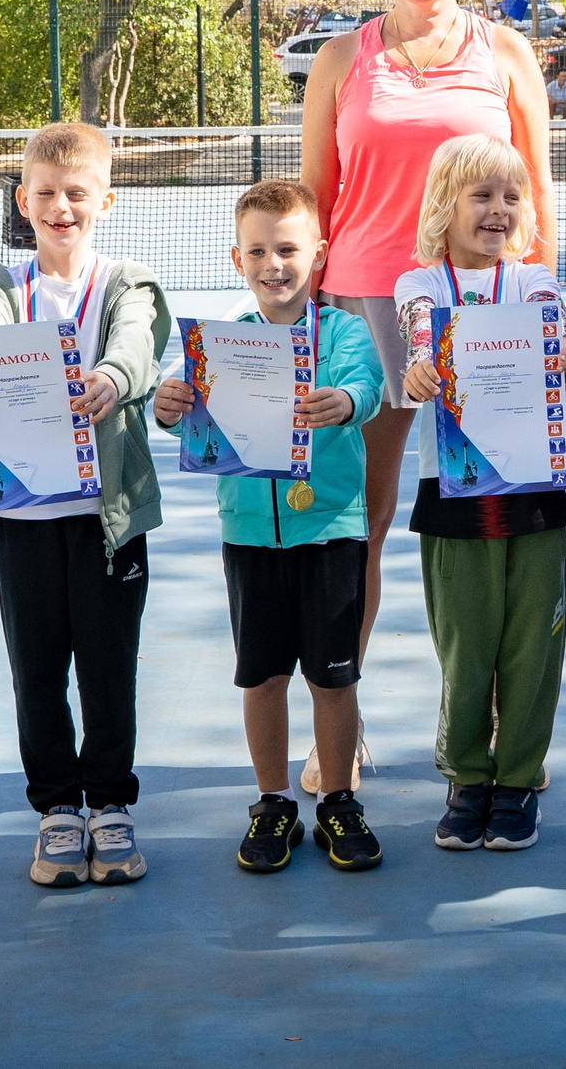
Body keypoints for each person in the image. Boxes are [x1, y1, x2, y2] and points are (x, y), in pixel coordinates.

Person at [299, 0, 558, 793]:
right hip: (363, 304)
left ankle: (499, 737)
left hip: (486, 316)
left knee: (491, 519)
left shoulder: (506, 52)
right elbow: (316, 198)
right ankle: (341, 726)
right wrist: (306, 322)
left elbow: (536, 188)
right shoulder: (341, 59)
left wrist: (537, 311)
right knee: (360, 527)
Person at [0, 122, 171, 887]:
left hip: (109, 519)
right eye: (46, 193)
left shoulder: (128, 281)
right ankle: (58, 810)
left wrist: (110, 377)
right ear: (22, 200)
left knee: (108, 669)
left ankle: (110, 802)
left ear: (105, 199)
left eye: (76, 193)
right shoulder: (0, 285)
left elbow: (137, 344)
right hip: (26, 519)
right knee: (36, 671)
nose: (61, 207)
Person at [152, 180, 387, 873]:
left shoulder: (343, 332)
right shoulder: (221, 343)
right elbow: (183, 416)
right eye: (257, 251)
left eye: (287, 248)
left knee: (333, 678)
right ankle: (273, 799)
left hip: (332, 531)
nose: (273, 264)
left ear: (318, 252)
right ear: (237, 259)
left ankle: (338, 799)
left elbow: (369, 387)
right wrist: (166, 407)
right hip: (250, 537)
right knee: (261, 677)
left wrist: (346, 400)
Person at [398, 134, 566, 851]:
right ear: (444, 205)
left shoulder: (534, 280)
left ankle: (518, 778)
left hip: (533, 492)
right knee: (467, 645)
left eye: (512, 196)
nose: (499, 209)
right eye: (481, 195)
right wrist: (421, 367)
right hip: (453, 494)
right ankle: (468, 775)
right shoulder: (420, 286)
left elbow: (557, 328)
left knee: (532, 644)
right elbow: (421, 336)